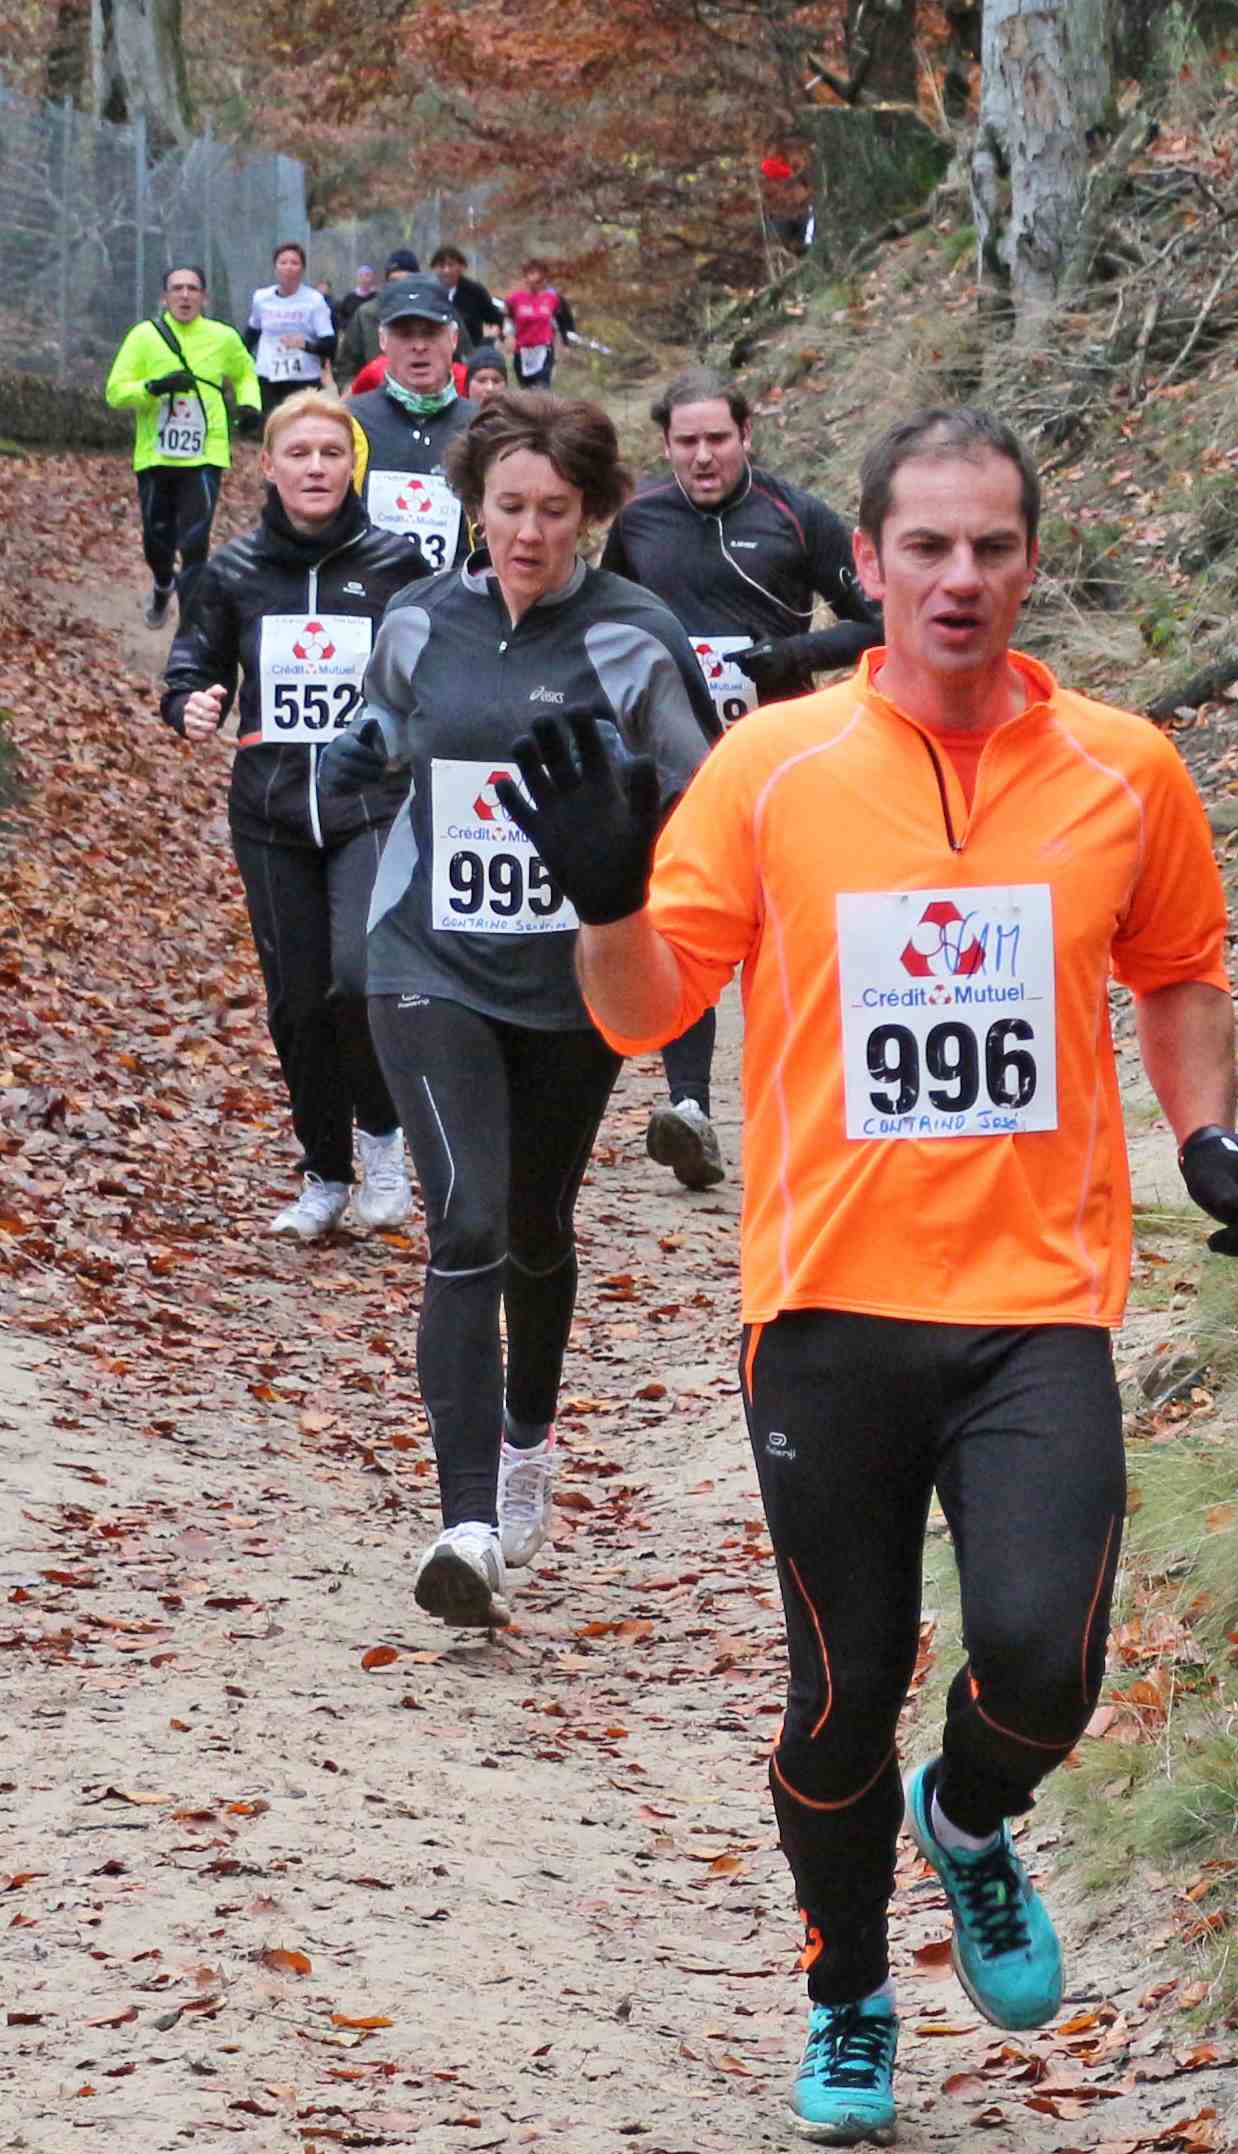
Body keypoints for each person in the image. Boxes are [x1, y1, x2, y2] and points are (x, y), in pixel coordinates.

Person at [523, 406, 1238, 2144]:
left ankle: (970, 1813)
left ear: (1030, 564)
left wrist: (1208, 1136)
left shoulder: (1122, 770)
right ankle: (849, 1990)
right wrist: (604, 899)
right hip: (826, 1309)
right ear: (863, 564)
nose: (958, 578)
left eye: (990, 547)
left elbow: (1178, 970)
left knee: (1044, 1660)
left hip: (1035, 1305)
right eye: (925, 547)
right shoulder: (773, 770)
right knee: (841, 1689)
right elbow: (642, 1014)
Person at [316, 392, 719, 1627]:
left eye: (554, 511)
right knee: (469, 1220)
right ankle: (468, 1526)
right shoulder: (419, 619)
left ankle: (527, 1438)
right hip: (426, 958)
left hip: (572, 980)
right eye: (508, 508)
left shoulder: (633, 635)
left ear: (590, 513)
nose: (529, 534)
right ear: (473, 507)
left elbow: (708, 797)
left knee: (539, 1224)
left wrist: (625, 848)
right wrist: (346, 771)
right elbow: (377, 732)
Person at [596, 368, 885, 1191]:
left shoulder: (796, 515)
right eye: (686, 442)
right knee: (681, 924)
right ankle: (690, 1109)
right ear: (665, 445)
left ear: (746, 436)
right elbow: (603, 624)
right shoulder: (640, 522)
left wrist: (793, 654)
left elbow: (880, 620)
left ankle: (812, 1109)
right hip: (675, 764)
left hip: (782, 759)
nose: (703, 456)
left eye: (717, 439)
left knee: (789, 931)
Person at [161, 389, 436, 1240]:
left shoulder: (397, 565)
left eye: (331, 453)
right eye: (299, 453)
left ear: (352, 465)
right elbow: (192, 665)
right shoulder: (231, 571)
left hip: (371, 805)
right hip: (271, 812)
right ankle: (324, 1173)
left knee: (358, 976)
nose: (316, 467)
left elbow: (434, 671)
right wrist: (190, 704)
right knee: (297, 1002)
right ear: (269, 466)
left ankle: (382, 1145)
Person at [105, 266, 258, 624]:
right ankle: (162, 583)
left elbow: (245, 374)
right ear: (164, 297)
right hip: (156, 455)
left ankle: (191, 628)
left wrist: (250, 405)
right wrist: (153, 388)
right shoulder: (144, 337)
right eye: (177, 289)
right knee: (156, 539)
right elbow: (115, 392)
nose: (185, 295)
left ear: (204, 297)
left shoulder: (223, 337)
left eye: (192, 289)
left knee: (194, 542)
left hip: (205, 455)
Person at [347, 275, 478, 575]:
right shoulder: (349, 421)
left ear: (453, 339)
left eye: (431, 333)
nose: (419, 346)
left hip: (458, 594)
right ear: (383, 341)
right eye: (405, 335)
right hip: (370, 590)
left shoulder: (484, 426)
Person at [242, 242, 336, 423]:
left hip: (304, 379)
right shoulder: (261, 298)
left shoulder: (314, 300)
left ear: (302, 269)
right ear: (275, 267)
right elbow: (251, 334)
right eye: (283, 262)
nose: (288, 268)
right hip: (269, 376)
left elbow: (330, 345)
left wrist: (305, 345)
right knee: (272, 426)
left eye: (294, 263)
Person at [334, 249, 417, 384]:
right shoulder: (367, 315)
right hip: (375, 392)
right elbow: (346, 367)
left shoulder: (432, 316)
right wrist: (356, 391)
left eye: (407, 281)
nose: (400, 287)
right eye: (394, 281)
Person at [502, 263, 578, 388]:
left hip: (544, 350)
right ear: (525, 278)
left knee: (541, 389)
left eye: (540, 280)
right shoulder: (515, 299)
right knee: (526, 390)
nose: (535, 283)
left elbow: (565, 320)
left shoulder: (553, 298)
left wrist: (566, 344)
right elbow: (506, 318)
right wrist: (508, 336)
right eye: (531, 276)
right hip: (522, 351)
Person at [429, 244, 504, 359]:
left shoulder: (475, 291)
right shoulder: (428, 292)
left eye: (451, 265)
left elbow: (495, 319)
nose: (446, 271)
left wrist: (488, 342)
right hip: (437, 354)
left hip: (470, 354)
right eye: (442, 266)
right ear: (435, 268)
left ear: (461, 267)